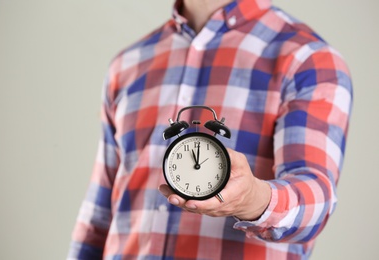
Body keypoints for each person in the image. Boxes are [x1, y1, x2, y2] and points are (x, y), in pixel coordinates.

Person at [68, 0, 353, 259]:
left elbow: (316, 202)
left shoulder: (307, 59)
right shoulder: (128, 64)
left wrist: (251, 198)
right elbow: (99, 212)